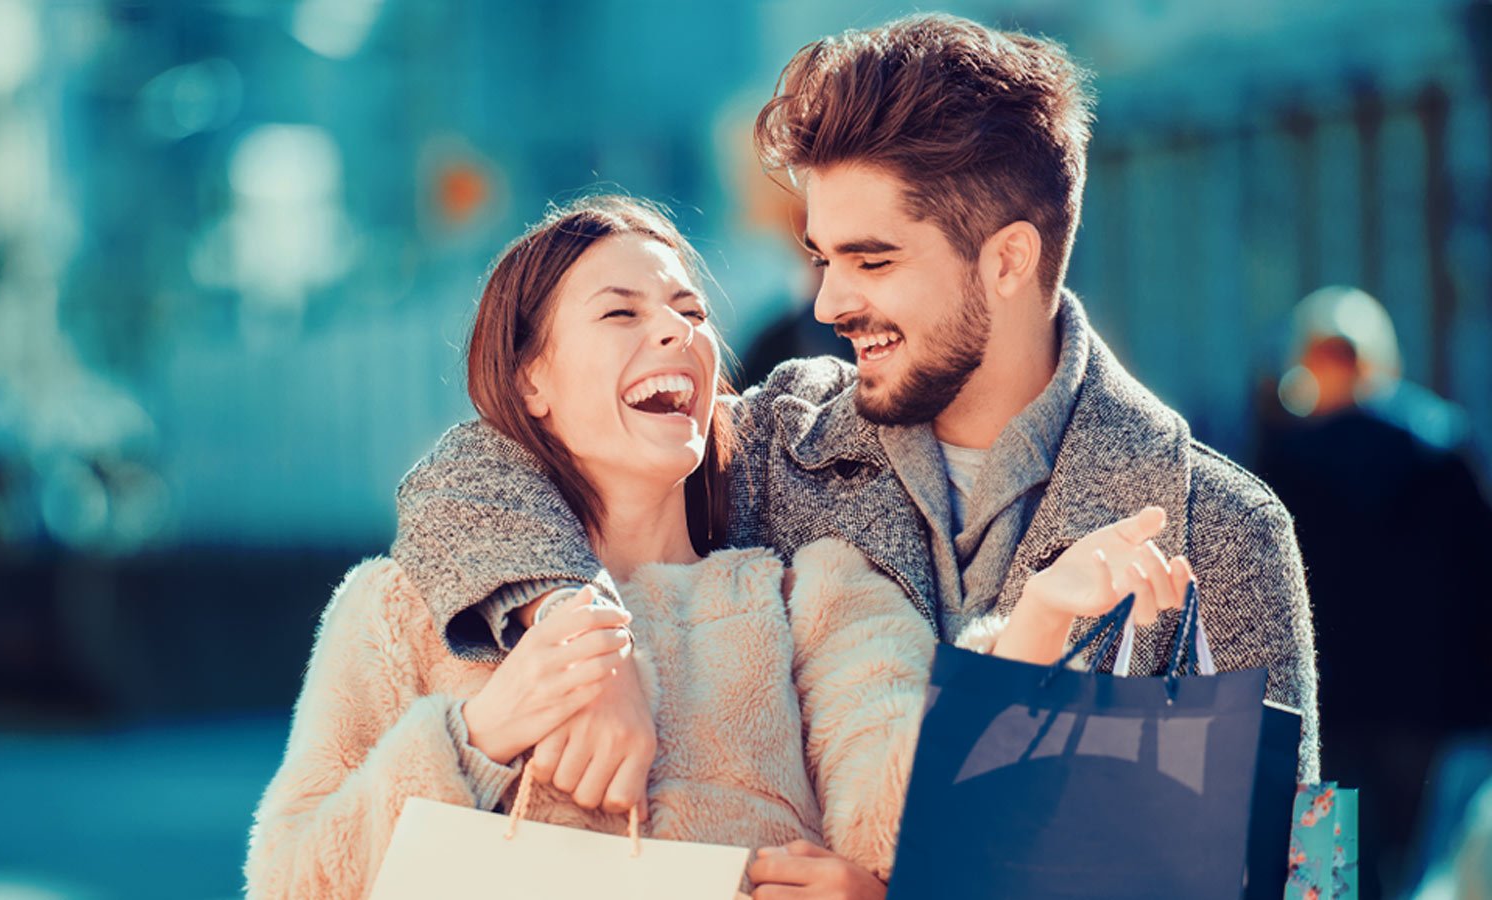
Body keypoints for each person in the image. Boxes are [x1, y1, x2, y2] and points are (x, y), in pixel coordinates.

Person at [389, 22, 1321, 890]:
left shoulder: (1224, 529)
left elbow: (1296, 877)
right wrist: (583, 632)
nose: (828, 303)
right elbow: (470, 470)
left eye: (871, 262)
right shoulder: (773, 446)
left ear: (1007, 261)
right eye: (820, 257)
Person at [244, 196, 1189, 900]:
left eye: (692, 314)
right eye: (622, 313)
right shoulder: (398, 612)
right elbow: (291, 880)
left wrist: (1034, 629)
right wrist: (481, 737)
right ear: (530, 380)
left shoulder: (814, 596)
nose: (675, 331)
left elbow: (908, 825)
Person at [1256, 285, 1492, 897]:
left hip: (1323, 708)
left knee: (1324, 880)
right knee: (1417, 872)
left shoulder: (1284, 462)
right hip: (1425, 709)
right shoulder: (1443, 451)